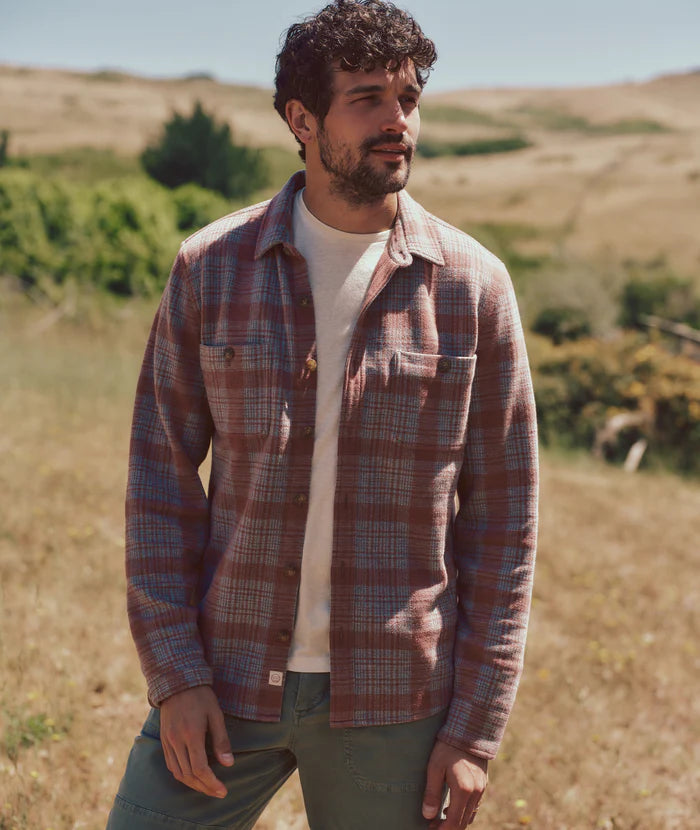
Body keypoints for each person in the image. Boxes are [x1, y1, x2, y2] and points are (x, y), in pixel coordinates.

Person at [106, 1, 539, 828]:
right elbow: (158, 482)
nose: (397, 122)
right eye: (368, 98)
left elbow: (505, 524)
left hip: (397, 698)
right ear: (301, 119)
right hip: (224, 678)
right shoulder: (211, 269)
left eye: (408, 99)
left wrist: (475, 730)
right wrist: (176, 675)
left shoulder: (472, 288)